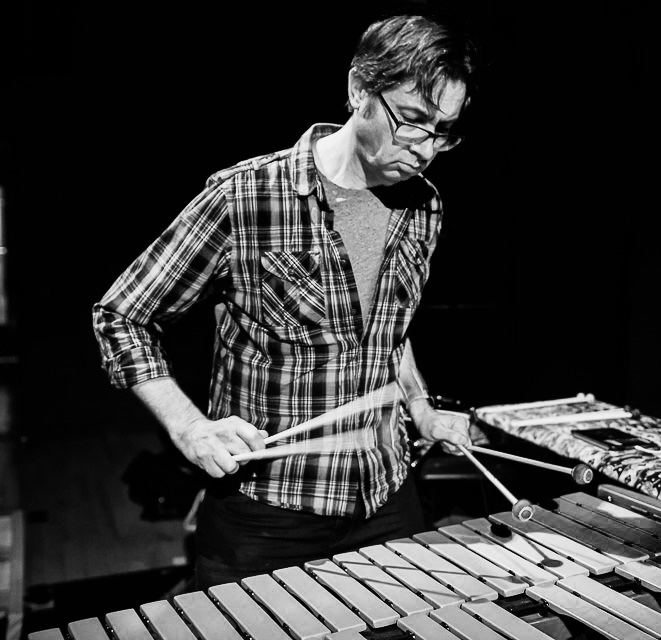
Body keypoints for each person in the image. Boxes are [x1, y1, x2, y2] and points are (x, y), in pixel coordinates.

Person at [92, 13, 479, 588]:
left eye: (444, 131)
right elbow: (122, 315)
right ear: (359, 89)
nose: (426, 149)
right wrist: (190, 428)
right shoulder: (245, 197)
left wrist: (420, 407)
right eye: (413, 121)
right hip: (267, 510)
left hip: (387, 494)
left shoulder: (425, 206)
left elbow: (388, 332)